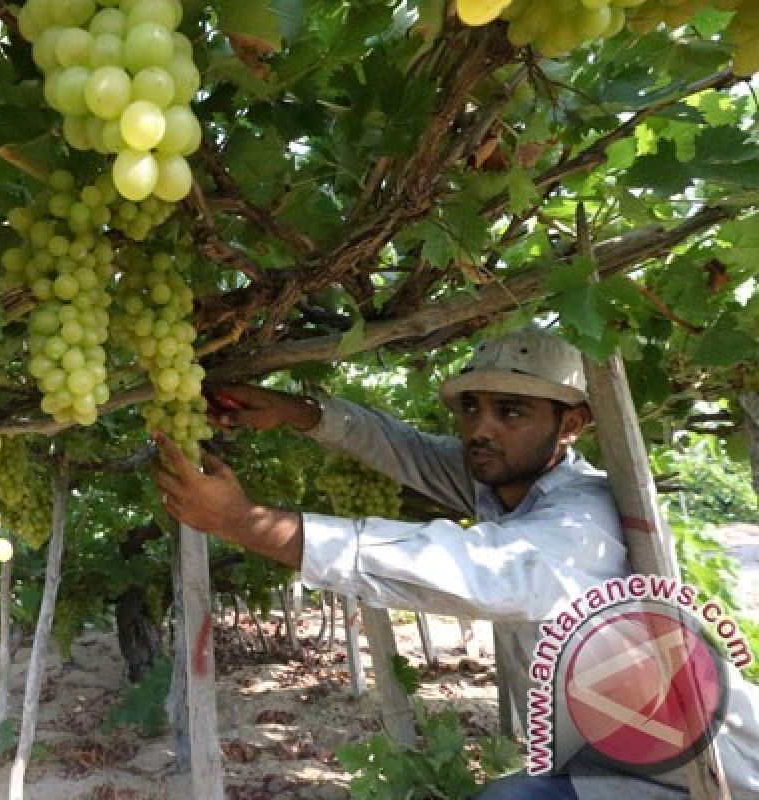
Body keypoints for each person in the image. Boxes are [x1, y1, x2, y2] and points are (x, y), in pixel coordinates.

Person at [151, 327, 759, 799]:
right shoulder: (506, 484)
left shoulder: (582, 524)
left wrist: (247, 524)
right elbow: (406, 450)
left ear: (571, 424)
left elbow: (467, 567)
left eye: (510, 412)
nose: (480, 430)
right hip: (602, 765)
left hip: (707, 777)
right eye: (472, 409)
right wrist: (297, 412)